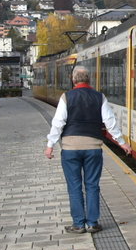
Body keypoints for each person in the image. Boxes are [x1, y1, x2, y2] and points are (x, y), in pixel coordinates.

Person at [44, 66, 131, 234]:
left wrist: (50, 145)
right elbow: (110, 121)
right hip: (93, 148)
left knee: (74, 186)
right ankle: (92, 223)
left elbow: (58, 123)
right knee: (92, 185)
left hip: (70, 148)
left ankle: (78, 224)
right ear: (89, 79)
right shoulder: (100, 97)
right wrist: (122, 142)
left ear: (73, 79)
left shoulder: (66, 97)